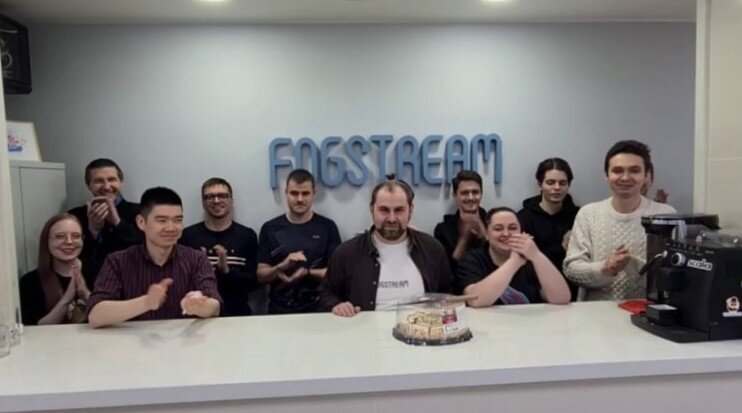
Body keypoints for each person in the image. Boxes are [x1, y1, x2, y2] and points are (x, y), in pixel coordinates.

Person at [87, 187, 222, 328]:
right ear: (141, 222)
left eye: (177, 220)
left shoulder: (197, 258)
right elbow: (95, 316)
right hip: (132, 339)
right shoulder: (117, 261)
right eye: (162, 220)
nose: (171, 228)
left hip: (184, 338)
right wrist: (146, 303)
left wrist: (199, 305)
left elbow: (215, 306)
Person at [320, 177, 453, 317]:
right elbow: (326, 292)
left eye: (399, 210)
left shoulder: (432, 249)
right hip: (364, 330)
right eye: (384, 210)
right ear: (372, 209)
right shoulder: (347, 253)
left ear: (410, 210)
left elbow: (447, 292)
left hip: (422, 329)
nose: (391, 219)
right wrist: (337, 305)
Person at [564, 140, 676, 301]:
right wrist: (604, 268)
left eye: (635, 171)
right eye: (617, 171)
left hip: (648, 311)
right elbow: (572, 269)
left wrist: (632, 265)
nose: (625, 177)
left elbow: (673, 274)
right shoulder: (588, 214)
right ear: (606, 175)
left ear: (646, 175)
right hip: (595, 312)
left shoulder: (665, 215)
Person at [256, 169, 341, 314]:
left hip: (319, 309)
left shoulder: (327, 227)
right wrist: (281, 267)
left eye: (305, 193)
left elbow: (337, 274)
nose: (300, 199)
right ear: (286, 193)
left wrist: (308, 273)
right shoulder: (270, 228)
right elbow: (260, 276)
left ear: (314, 194)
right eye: (294, 193)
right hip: (279, 310)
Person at [457, 207, 570, 307]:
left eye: (512, 228)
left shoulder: (532, 258)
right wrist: (514, 262)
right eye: (498, 228)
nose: (506, 234)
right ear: (486, 234)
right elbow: (475, 300)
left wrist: (536, 255)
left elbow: (561, 298)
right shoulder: (472, 259)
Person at [180, 178, 259, 317]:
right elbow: (181, 280)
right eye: (210, 197)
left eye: (222, 196)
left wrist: (227, 271)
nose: (216, 201)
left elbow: (253, 283)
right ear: (203, 202)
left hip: (238, 315)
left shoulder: (247, 235)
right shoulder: (187, 236)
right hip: (198, 317)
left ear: (231, 201)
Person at [68, 158, 143, 286]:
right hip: (90, 285)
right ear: (89, 186)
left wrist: (117, 222)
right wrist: (93, 232)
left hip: (134, 283)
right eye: (98, 181)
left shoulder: (142, 212)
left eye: (112, 179)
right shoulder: (74, 216)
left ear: (121, 182)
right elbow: (70, 256)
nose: (107, 187)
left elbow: (148, 250)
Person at [517, 158, 580, 301]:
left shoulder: (580, 216)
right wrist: (561, 247)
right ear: (540, 184)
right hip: (535, 295)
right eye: (550, 182)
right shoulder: (523, 218)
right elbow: (523, 264)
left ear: (568, 185)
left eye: (562, 183)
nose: (557, 187)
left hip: (574, 293)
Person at [19, 213, 91, 325]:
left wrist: (86, 295)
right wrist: (66, 299)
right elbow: (35, 328)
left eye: (76, 236)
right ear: (46, 241)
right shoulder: (30, 282)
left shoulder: (100, 271)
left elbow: (112, 319)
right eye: (60, 236)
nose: (69, 241)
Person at [434, 170, 487, 273]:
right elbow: (445, 270)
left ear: (481, 194)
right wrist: (464, 239)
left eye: (475, 192)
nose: (470, 198)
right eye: (465, 193)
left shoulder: (493, 222)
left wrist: (484, 238)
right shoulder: (443, 230)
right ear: (455, 195)